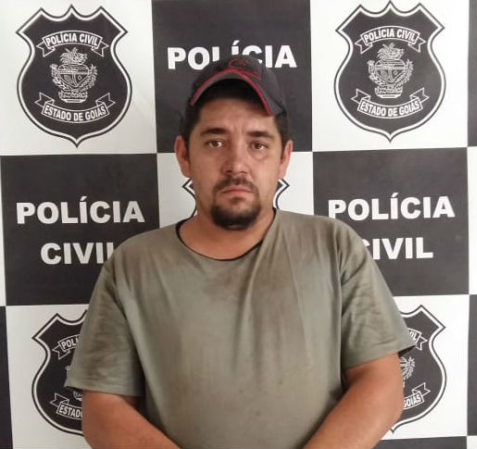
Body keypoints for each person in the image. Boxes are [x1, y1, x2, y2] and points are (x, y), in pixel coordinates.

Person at [66, 55, 414, 449]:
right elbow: (103, 410)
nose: (237, 164)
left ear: (284, 158)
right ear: (184, 155)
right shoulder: (133, 264)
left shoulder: (334, 246)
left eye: (258, 144)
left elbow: (381, 384)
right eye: (215, 142)